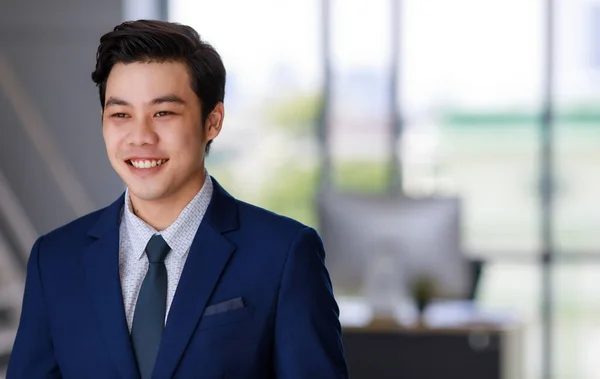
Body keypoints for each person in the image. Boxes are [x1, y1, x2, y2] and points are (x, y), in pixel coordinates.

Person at [7, 19, 348, 379]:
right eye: (121, 114)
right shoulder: (56, 259)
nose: (140, 137)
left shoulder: (284, 254)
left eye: (163, 113)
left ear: (212, 121)